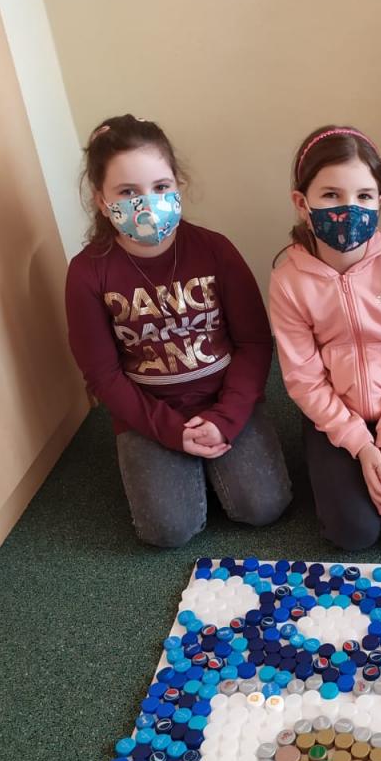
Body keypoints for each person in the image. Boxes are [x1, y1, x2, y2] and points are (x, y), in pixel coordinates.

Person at [65, 115, 291, 547]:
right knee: (167, 531)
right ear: (101, 201)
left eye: (160, 186)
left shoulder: (216, 250)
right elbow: (102, 375)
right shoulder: (86, 273)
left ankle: (208, 461)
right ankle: (191, 466)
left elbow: (254, 342)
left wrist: (227, 417)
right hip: (147, 412)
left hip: (224, 398)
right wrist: (170, 430)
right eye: (127, 192)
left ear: (178, 185)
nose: (147, 203)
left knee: (264, 507)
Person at [268, 126, 381, 550]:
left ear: (379, 201)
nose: (349, 209)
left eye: (364, 196)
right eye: (331, 195)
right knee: (353, 535)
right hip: (334, 416)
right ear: (302, 203)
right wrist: (361, 446)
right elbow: (304, 379)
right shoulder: (288, 280)